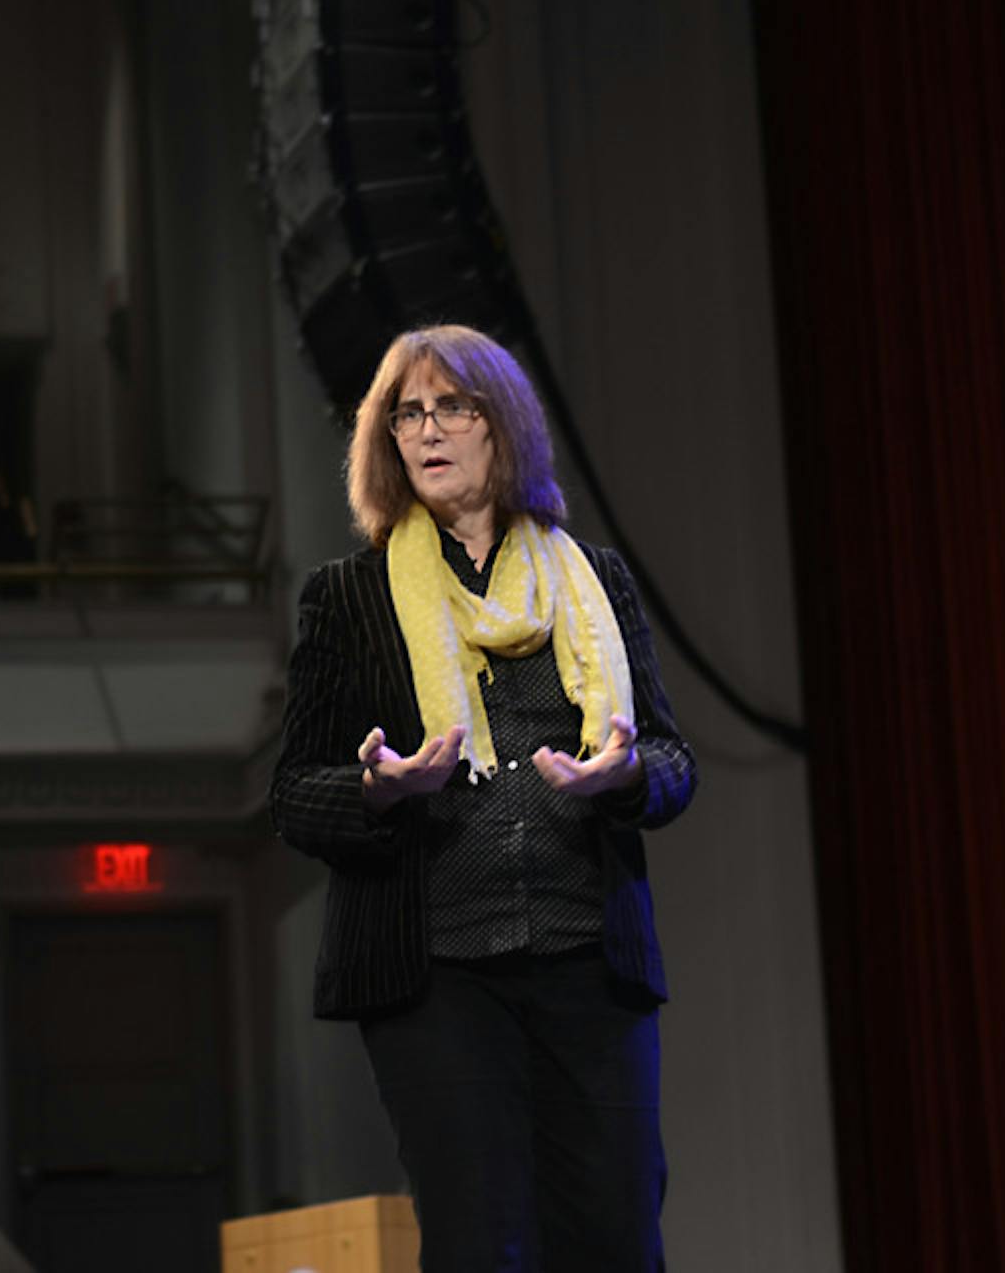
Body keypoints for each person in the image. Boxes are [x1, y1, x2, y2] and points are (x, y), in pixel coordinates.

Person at [269, 324, 697, 1271]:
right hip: (437, 976)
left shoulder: (597, 581)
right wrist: (381, 789)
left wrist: (627, 774)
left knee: (619, 1239)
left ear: (502, 428)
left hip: (590, 960)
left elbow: (672, 760)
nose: (427, 430)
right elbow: (294, 795)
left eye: (450, 408)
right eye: (406, 413)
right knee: (479, 1245)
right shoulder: (350, 598)